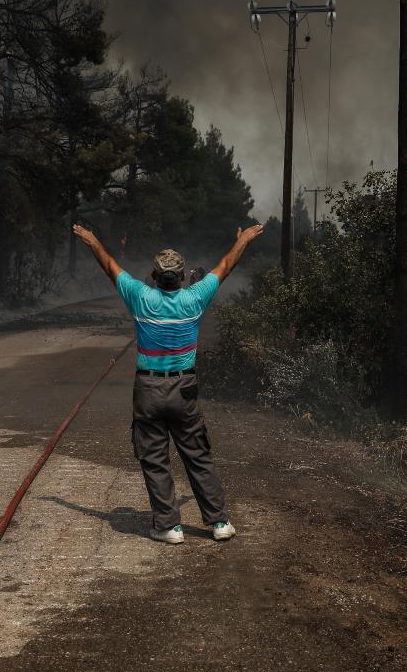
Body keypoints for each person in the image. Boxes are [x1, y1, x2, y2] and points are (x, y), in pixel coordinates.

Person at [71, 223, 265, 544]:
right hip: (184, 388)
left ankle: (169, 526)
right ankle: (218, 522)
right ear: (183, 275)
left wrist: (92, 240)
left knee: (155, 458)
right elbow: (226, 266)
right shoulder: (196, 298)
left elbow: (109, 266)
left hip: (148, 389)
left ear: (155, 276)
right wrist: (243, 239)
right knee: (198, 455)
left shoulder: (140, 296)